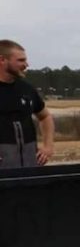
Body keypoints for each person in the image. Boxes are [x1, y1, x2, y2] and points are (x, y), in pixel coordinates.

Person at [0, 40, 54, 168]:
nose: (26, 64)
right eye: (20, 60)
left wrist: (48, 147)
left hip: (29, 170)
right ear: (2, 60)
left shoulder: (27, 89)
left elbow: (45, 117)